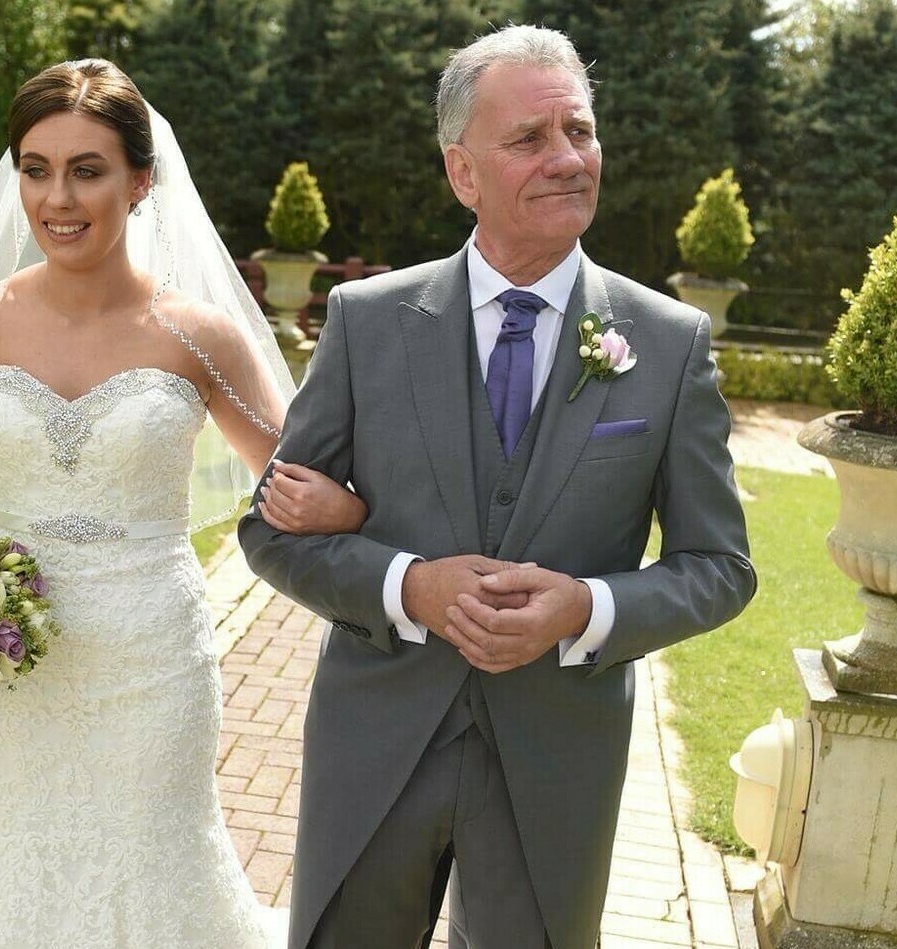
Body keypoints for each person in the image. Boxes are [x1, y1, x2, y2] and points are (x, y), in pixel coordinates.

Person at [239, 25, 757, 949]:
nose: (566, 158)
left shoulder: (668, 342)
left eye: (580, 131)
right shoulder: (366, 321)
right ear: (462, 174)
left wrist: (583, 608)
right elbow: (272, 531)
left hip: (557, 758)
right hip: (377, 741)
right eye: (529, 139)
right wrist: (408, 586)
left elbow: (719, 566)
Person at [0, 59, 365, 949]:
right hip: (10, 664)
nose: (59, 197)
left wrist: (346, 513)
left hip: (149, 665)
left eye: (87, 169)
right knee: (6, 858)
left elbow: (290, 473)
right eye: (37, 169)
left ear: (140, 180)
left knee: (153, 865)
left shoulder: (196, 336)